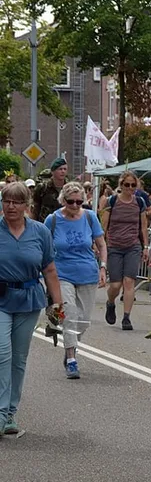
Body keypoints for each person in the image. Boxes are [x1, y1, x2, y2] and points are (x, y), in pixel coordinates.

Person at [0, 182, 64, 435]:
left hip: (28, 300)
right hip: (1, 298)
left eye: (16, 202)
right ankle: (1, 412)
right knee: (2, 354)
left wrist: (57, 307)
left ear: (27, 205)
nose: (11, 206)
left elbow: (49, 270)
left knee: (18, 359)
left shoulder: (39, 232)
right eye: (6, 201)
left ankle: (11, 411)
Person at [43, 182, 108, 379]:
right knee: (69, 314)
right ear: (63, 200)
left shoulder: (89, 217)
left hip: (88, 273)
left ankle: (70, 345)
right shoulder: (52, 219)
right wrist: (43, 272)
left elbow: (101, 245)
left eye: (79, 201)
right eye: (71, 201)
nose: (75, 205)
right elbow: (44, 247)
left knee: (84, 321)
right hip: (61, 274)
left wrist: (103, 267)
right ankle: (71, 359)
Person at [101, 171, 149, 331]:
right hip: (114, 246)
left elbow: (143, 226)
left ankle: (126, 318)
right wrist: (101, 245)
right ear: (121, 185)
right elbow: (104, 226)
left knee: (129, 282)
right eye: (126, 184)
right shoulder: (112, 201)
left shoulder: (140, 202)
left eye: (133, 185)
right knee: (115, 284)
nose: (130, 188)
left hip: (132, 246)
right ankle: (110, 302)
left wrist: (146, 247)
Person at [33, 157, 68, 222]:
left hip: (64, 223)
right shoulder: (43, 187)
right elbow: (35, 207)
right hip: (45, 223)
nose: (63, 171)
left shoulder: (69, 188)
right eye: (60, 169)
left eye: (65, 169)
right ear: (52, 171)